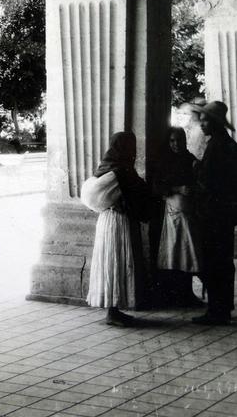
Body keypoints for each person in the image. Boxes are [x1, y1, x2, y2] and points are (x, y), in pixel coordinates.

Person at [87, 131, 152, 327]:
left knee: (113, 262)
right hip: (117, 222)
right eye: (130, 146)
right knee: (116, 261)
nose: (133, 151)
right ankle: (112, 312)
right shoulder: (121, 171)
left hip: (107, 220)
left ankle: (114, 310)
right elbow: (139, 193)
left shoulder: (105, 167)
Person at [191, 101, 237, 326]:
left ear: (214, 123)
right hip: (225, 215)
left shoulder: (217, 147)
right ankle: (223, 307)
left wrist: (196, 170)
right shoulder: (230, 145)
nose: (202, 124)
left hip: (213, 215)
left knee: (214, 261)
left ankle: (216, 311)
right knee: (224, 261)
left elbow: (209, 182)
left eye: (205, 120)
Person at [154, 127, 202, 306]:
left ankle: (187, 293)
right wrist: (177, 189)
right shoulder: (164, 162)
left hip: (188, 211)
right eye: (172, 141)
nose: (176, 144)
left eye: (179, 140)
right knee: (173, 252)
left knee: (188, 252)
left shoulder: (190, 159)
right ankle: (174, 294)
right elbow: (157, 186)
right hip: (172, 213)